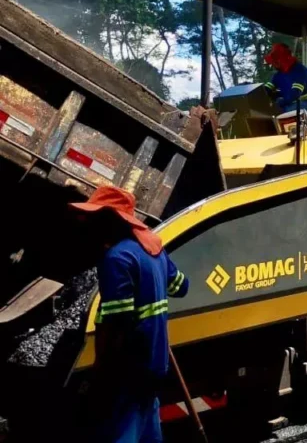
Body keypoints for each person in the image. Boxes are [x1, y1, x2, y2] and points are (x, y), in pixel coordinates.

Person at [71, 186, 190, 443]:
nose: (89, 224)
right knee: (147, 428)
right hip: (155, 361)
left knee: (123, 431)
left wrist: (101, 373)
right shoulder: (152, 250)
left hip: (129, 367)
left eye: (95, 218)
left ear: (112, 219)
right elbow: (181, 287)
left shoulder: (117, 258)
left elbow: (119, 323)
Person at [263, 42, 307, 111]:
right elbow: (267, 88)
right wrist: (259, 95)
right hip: (289, 104)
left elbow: (295, 94)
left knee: (278, 112)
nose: (273, 65)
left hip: (304, 103)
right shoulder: (278, 74)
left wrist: (280, 102)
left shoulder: (300, 70)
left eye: (275, 62)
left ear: (282, 60)